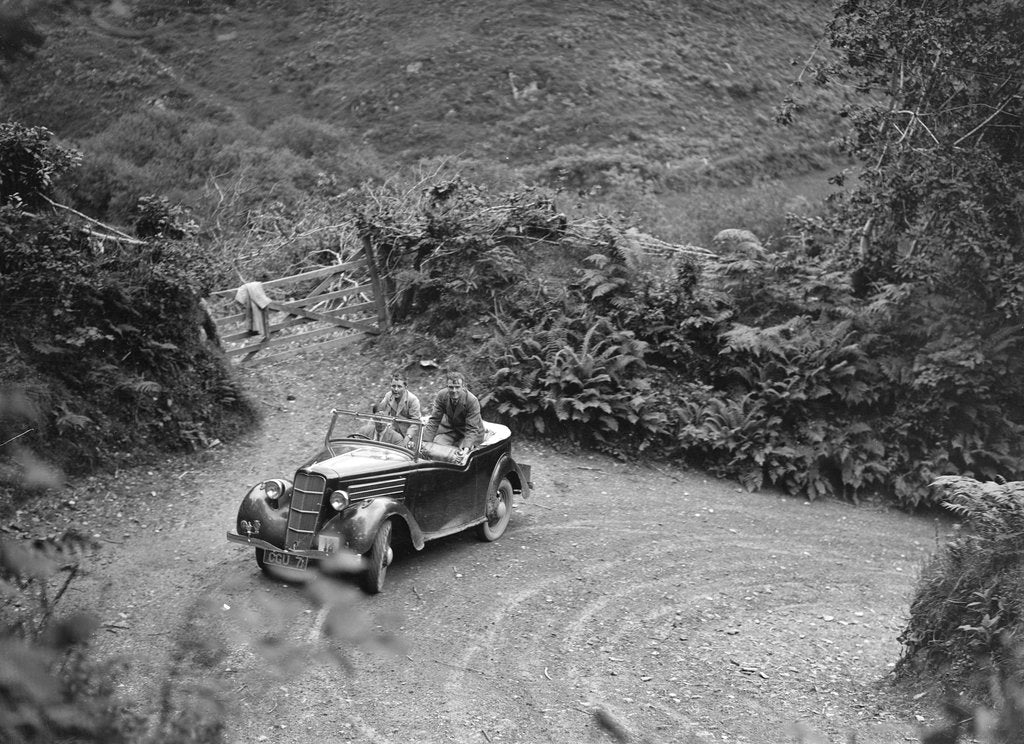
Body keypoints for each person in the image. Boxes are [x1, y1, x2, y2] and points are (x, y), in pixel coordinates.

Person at [419, 369, 484, 462]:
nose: (454, 391)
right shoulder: (442, 395)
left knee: (460, 455)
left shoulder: (472, 401)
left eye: (457, 387)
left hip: (472, 433)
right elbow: (434, 420)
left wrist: (466, 448)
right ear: (447, 386)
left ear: (463, 387)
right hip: (454, 430)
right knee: (435, 447)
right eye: (451, 387)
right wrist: (425, 442)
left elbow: (472, 428)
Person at [359, 371, 421, 446]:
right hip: (395, 433)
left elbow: (415, 423)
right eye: (393, 386)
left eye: (399, 387)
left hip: (410, 436)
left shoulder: (413, 400)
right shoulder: (388, 396)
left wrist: (406, 440)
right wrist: (369, 430)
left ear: (405, 387)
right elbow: (379, 411)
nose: (396, 389)